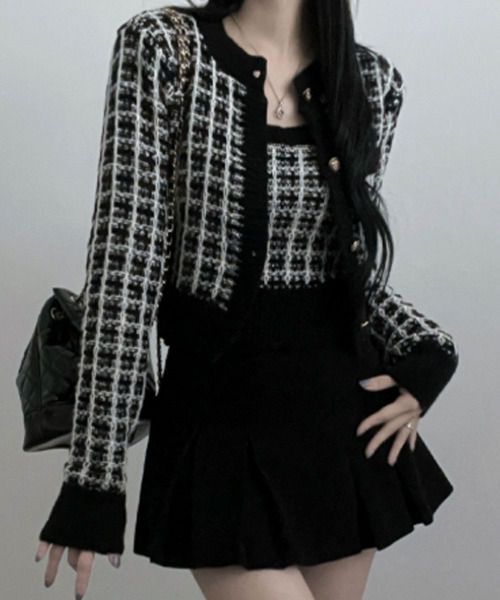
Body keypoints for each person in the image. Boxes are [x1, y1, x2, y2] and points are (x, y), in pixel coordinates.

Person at [35, 1, 459, 599]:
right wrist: (94, 476)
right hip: (217, 426)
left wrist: (429, 352)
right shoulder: (165, 50)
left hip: (339, 428)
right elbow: (125, 267)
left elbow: (342, 276)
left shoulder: (370, 82)